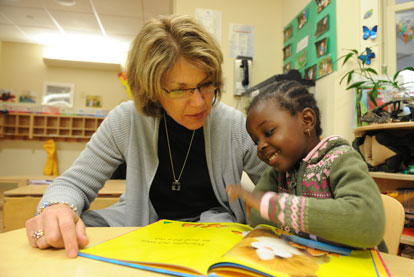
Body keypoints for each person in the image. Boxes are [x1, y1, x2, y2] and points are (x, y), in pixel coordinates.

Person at [25, 14, 267, 258]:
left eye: (206, 84)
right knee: (75, 231)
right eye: (180, 90)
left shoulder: (235, 126)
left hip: (215, 231)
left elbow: (281, 187)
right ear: (151, 89)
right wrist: (56, 208)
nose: (199, 102)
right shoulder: (126, 120)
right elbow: (73, 184)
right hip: (138, 223)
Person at [227, 80, 385, 250]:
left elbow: (368, 222)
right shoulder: (278, 172)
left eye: (268, 132)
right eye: (256, 141)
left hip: (363, 270)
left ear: (307, 120)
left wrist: (277, 207)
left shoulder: (340, 159)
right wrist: (261, 204)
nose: (260, 146)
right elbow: (258, 216)